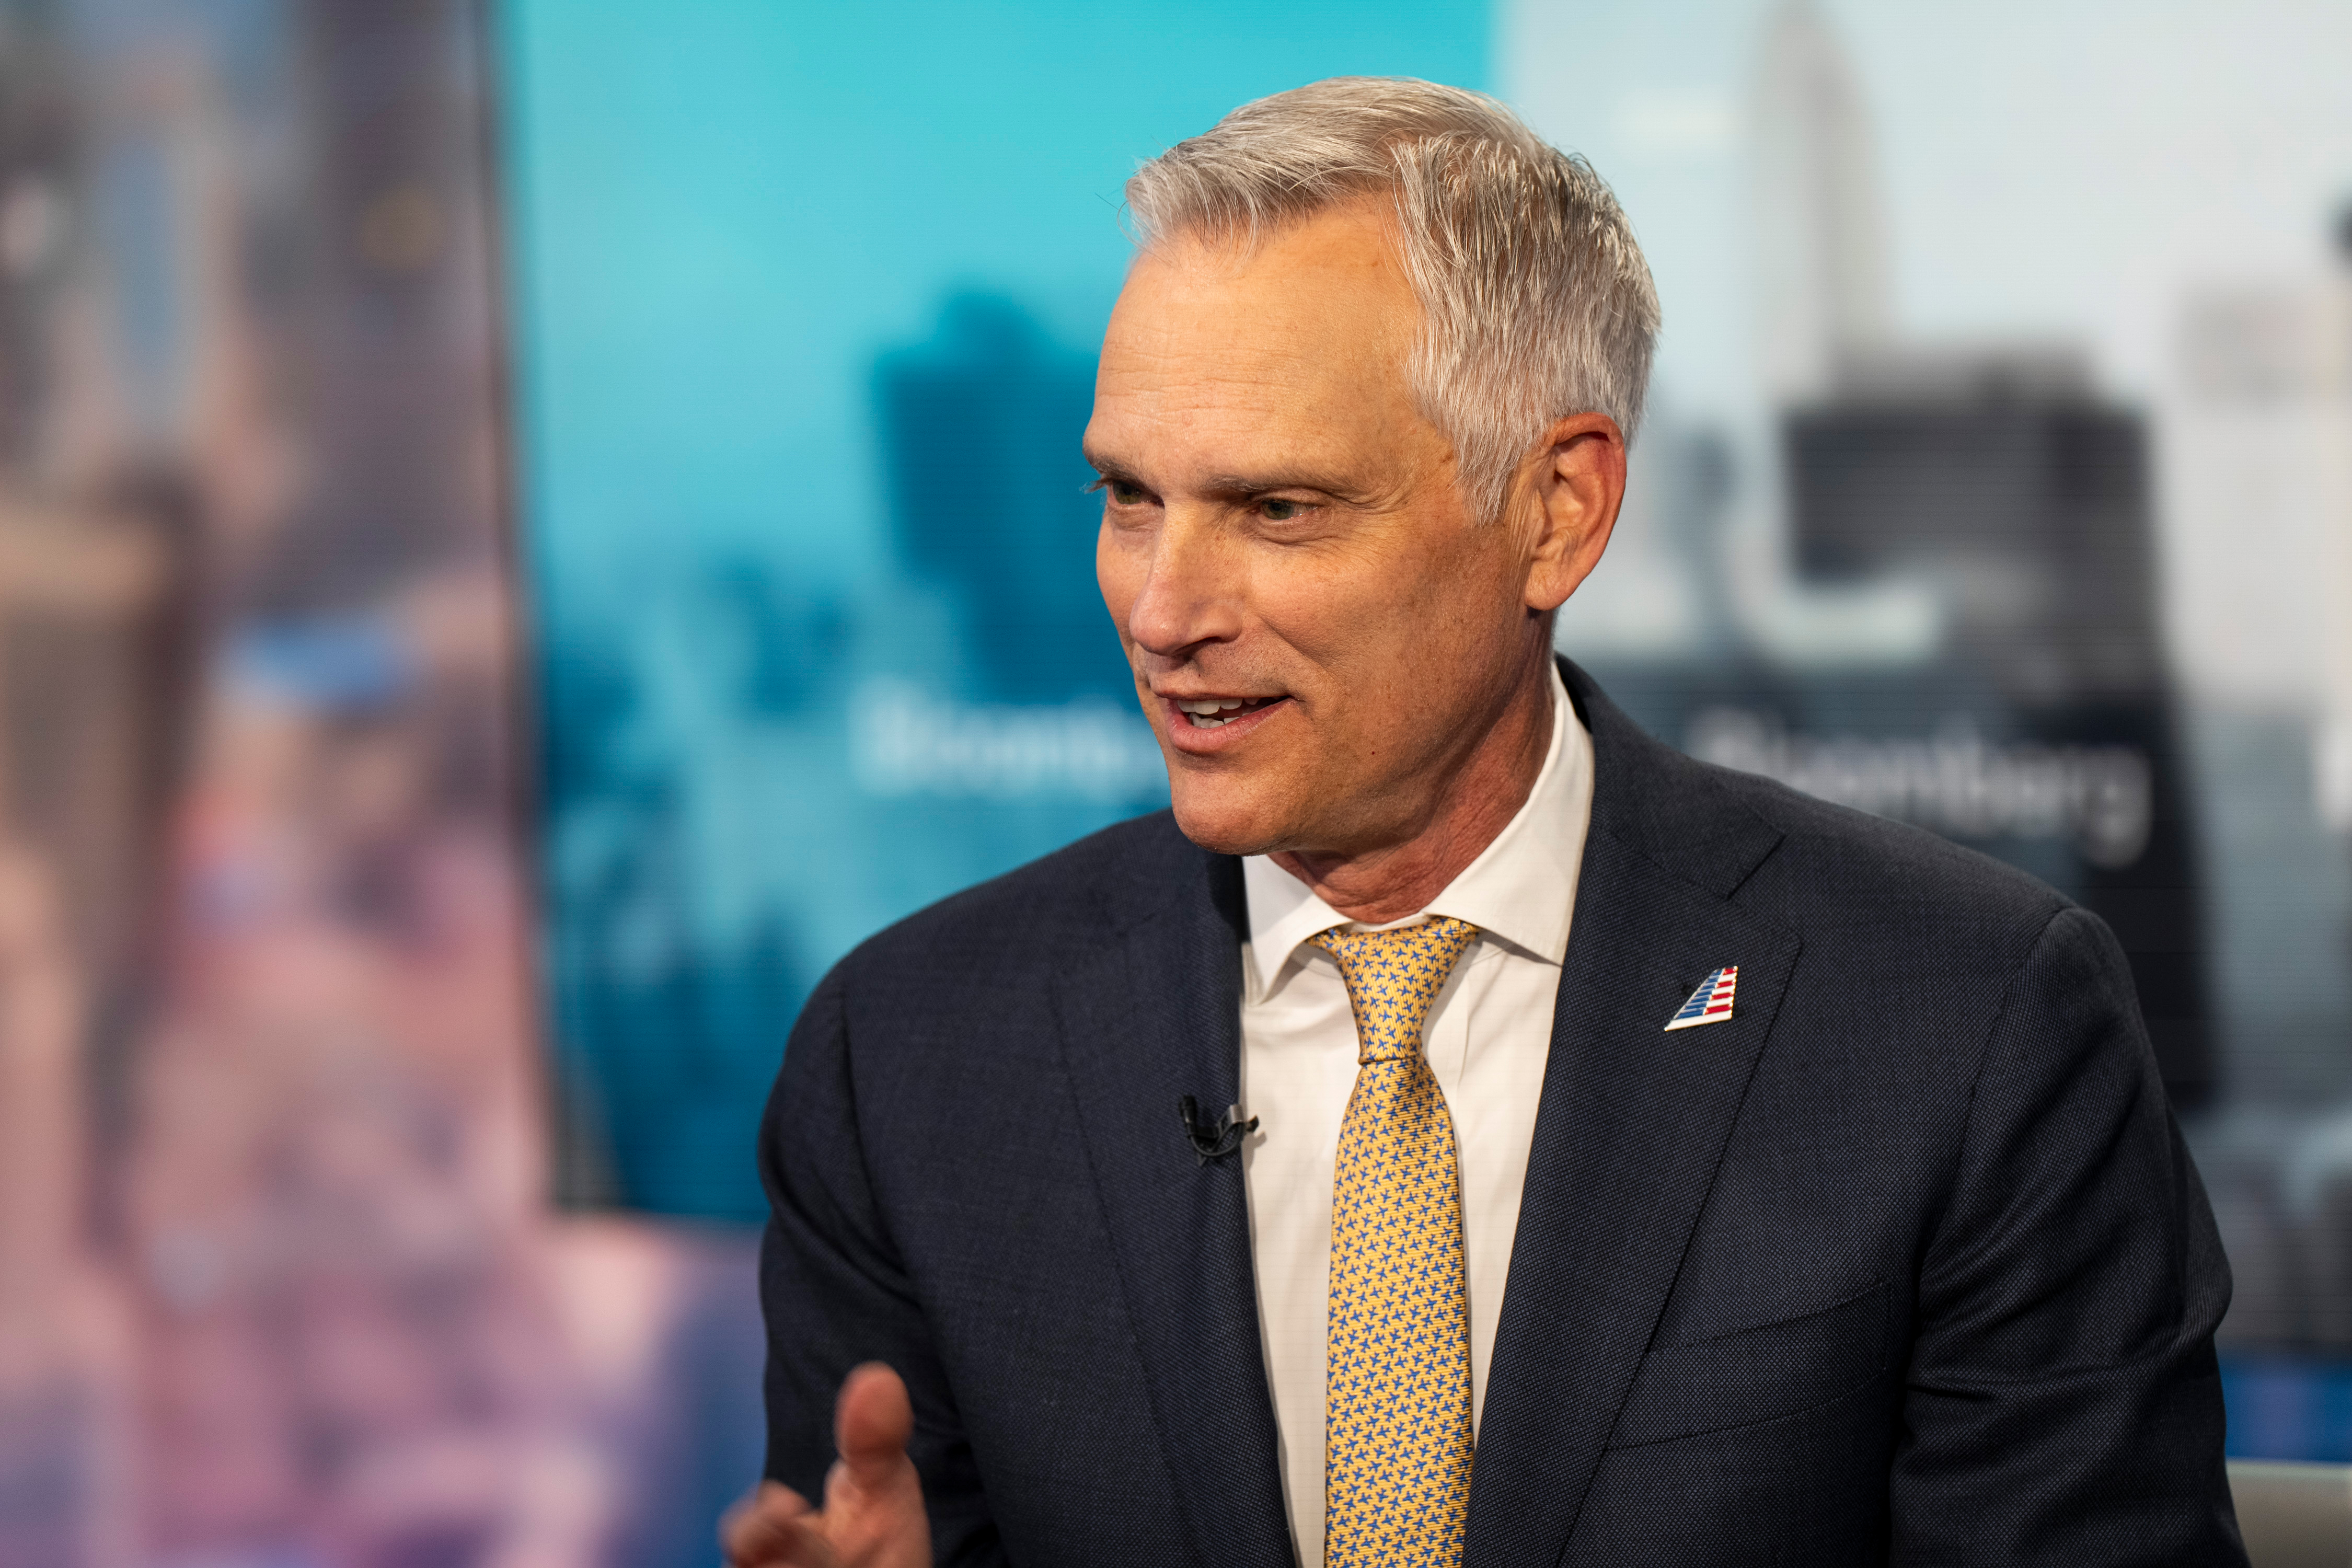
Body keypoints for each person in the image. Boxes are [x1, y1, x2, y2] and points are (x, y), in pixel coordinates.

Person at [727, 78, 2243, 1568]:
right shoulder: (915, 1055)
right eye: (1129, 497)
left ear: (1555, 510)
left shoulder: (1960, 1027)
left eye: (1277, 509)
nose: (1161, 608)